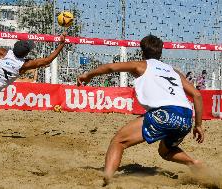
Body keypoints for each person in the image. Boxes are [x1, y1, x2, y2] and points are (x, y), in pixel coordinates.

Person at [77, 35, 204, 186]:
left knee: (118, 141)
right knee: (165, 151)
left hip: (165, 113)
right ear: (160, 53)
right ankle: (193, 162)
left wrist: (88, 75)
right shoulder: (174, 71)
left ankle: (107, 179)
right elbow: (197, 95)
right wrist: (198, 125)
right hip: (185, 118)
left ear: (142, 52)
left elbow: (111, 67)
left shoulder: (141, 65)